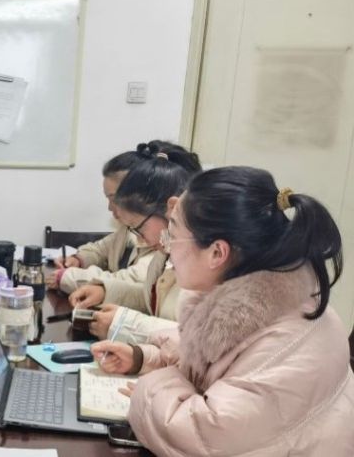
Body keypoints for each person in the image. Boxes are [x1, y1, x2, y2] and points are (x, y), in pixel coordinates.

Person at [91, 166, 354, 456]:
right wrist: (145, 358)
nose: (166, 248)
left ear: (217, 253)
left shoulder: (285, 338)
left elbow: (203, 438)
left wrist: (148, 390)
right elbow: (218, 365)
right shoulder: (257, 302)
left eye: (172, 235)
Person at [68, 141, 201, 342]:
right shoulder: (165, 251)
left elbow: (194, 338)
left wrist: (122, 325)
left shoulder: (203, 264)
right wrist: (105, 290)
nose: (138, 238)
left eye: (137, 228)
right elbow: (154, 299)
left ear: (172, 208)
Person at [48, 150, 157, 294]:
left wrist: (68, 277)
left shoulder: (160, 238)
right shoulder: (127, 229)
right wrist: (79, 259)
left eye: (114, 199)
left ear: (140, 196)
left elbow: (126, 280)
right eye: (108, 199)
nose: (109, 207)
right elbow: (99, 250)